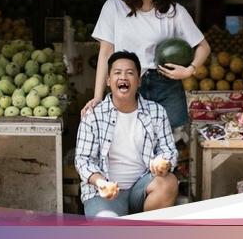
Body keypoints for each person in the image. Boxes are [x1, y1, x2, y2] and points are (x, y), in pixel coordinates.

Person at [82, 0, 210, 129]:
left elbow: (203, 46)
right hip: (128, 83)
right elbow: (106, 53)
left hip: (166, 84)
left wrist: (190, 70)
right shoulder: (114, 7)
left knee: (171, 145)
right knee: (129, 145)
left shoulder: (174, 11)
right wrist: (98, 96)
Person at [75, 51, 178, 217]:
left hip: (142, 187)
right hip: (104, 191)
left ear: (139, 81)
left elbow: (168, 151)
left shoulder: (156, 112)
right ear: (108, 80)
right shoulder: (93, 115)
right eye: (117, 73)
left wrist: (164, 162)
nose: (123, 77)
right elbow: (83, 160)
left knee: (168, 182)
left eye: (130, 73)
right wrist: (100, 182)